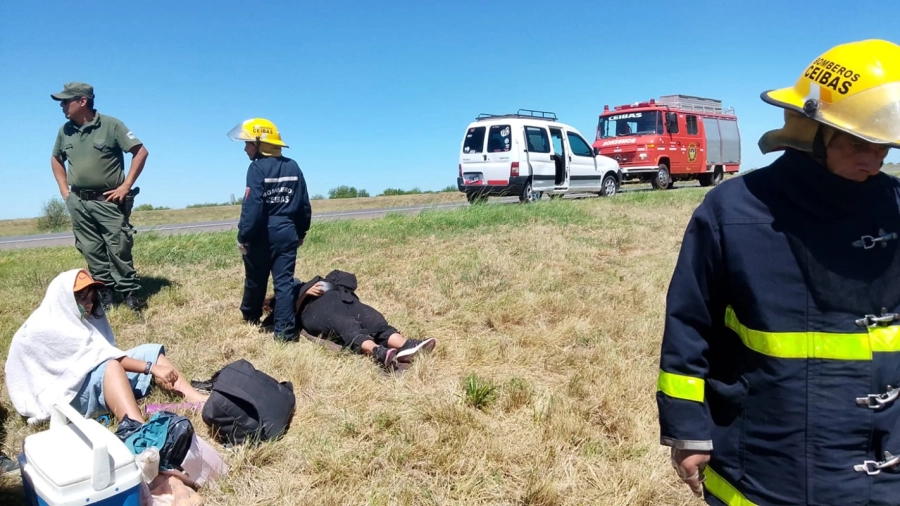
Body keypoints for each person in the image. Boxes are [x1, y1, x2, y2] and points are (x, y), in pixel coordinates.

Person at [656, 39, 900, 505]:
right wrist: (687, 430)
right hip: (769, 468)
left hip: (883, 468)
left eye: (884, 146)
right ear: (811, 130)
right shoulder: (732, 212)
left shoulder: (895, 206)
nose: (874, 161)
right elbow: (689, 323)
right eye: (858, 143)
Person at [4, 269, 207, 425]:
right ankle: (136, 427)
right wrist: (150, 368)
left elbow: (101, 354)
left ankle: (197, 400)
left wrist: (150, 363)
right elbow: (102, 358)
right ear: (63, 298)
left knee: (149, 351)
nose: (90, 303)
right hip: (64, 396)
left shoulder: (72, 318)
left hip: (82, 380)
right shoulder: (45, 326)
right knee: (111, 366)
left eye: (91, 297)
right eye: (82, 297)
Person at [50, 82, 149, 312]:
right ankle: (105, 292)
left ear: (82, 101)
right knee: (91, 248)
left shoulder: (111, 125)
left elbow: (140, 152)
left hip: (109, 201)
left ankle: (129, 293)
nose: (62, 106)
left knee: (119, 246)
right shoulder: (65, 131)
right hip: (79, 201)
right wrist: (65, 192)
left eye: (66, 101)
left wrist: (126, 186)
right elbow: (56, 159)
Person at [228, 118, 312, 342]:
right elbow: (304, 204)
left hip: (261, 233)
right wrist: (300, 232)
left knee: (256, 278)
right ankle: (284, 333)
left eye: (248, 143)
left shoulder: (256, 168)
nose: (245, 149)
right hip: (287, 232)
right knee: (284, 283)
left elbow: (252, 207)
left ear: (260, 144)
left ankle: (251, 315)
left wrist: (244, 236)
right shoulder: (293, 166)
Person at [262, 270, 437, 370]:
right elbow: (288, 317)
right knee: (345, 324)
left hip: (341, 296)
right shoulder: (282, 301)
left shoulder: (310, 282)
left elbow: (350, 281)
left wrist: (332, 282)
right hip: (314, 309)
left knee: (372, 319)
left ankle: (405, 345)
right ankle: (378, 352)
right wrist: (304, 294)